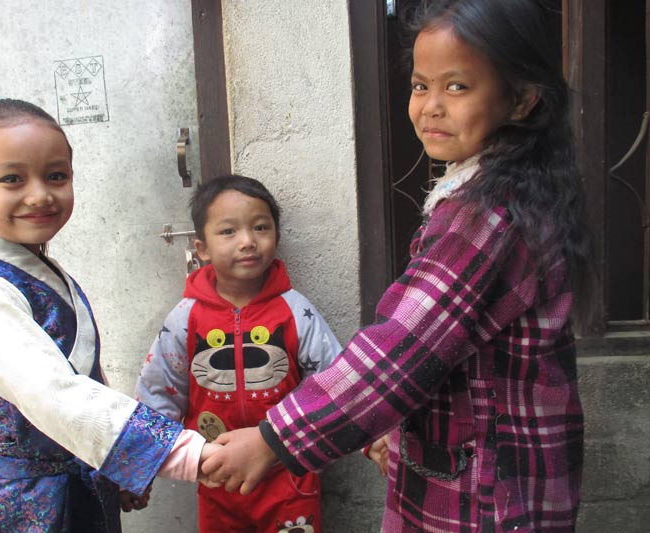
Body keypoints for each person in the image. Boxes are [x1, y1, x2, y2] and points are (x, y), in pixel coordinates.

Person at [202, 1, 595, 531]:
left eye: (457, 87)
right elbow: (454, 349)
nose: (430, 106)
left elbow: (401, 349)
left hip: (488, 497)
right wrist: (398, 424)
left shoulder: (485, 214)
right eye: (419, 85)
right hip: (488, 472)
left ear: (521, 99)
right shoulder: (501, 190)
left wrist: (275, 440)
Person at [0, 98, 218, 532]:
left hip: (78, 485)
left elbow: (85, 377)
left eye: (56, 176)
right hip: (24, 507)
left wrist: (122, 466)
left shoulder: (37, 270)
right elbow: (57, 395)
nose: (39, 194)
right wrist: (185, 453)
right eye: (12, 179)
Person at [135, 175, 342, 532]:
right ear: (202, 248)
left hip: (288, 474)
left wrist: (373, 441)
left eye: (260, 227)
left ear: (276, 236)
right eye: (228, 232)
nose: (248, 242)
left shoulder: (295, 311)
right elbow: (159, 392)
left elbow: (336, 381)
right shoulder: (186, 318)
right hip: (216, 477)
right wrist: (139, 467)